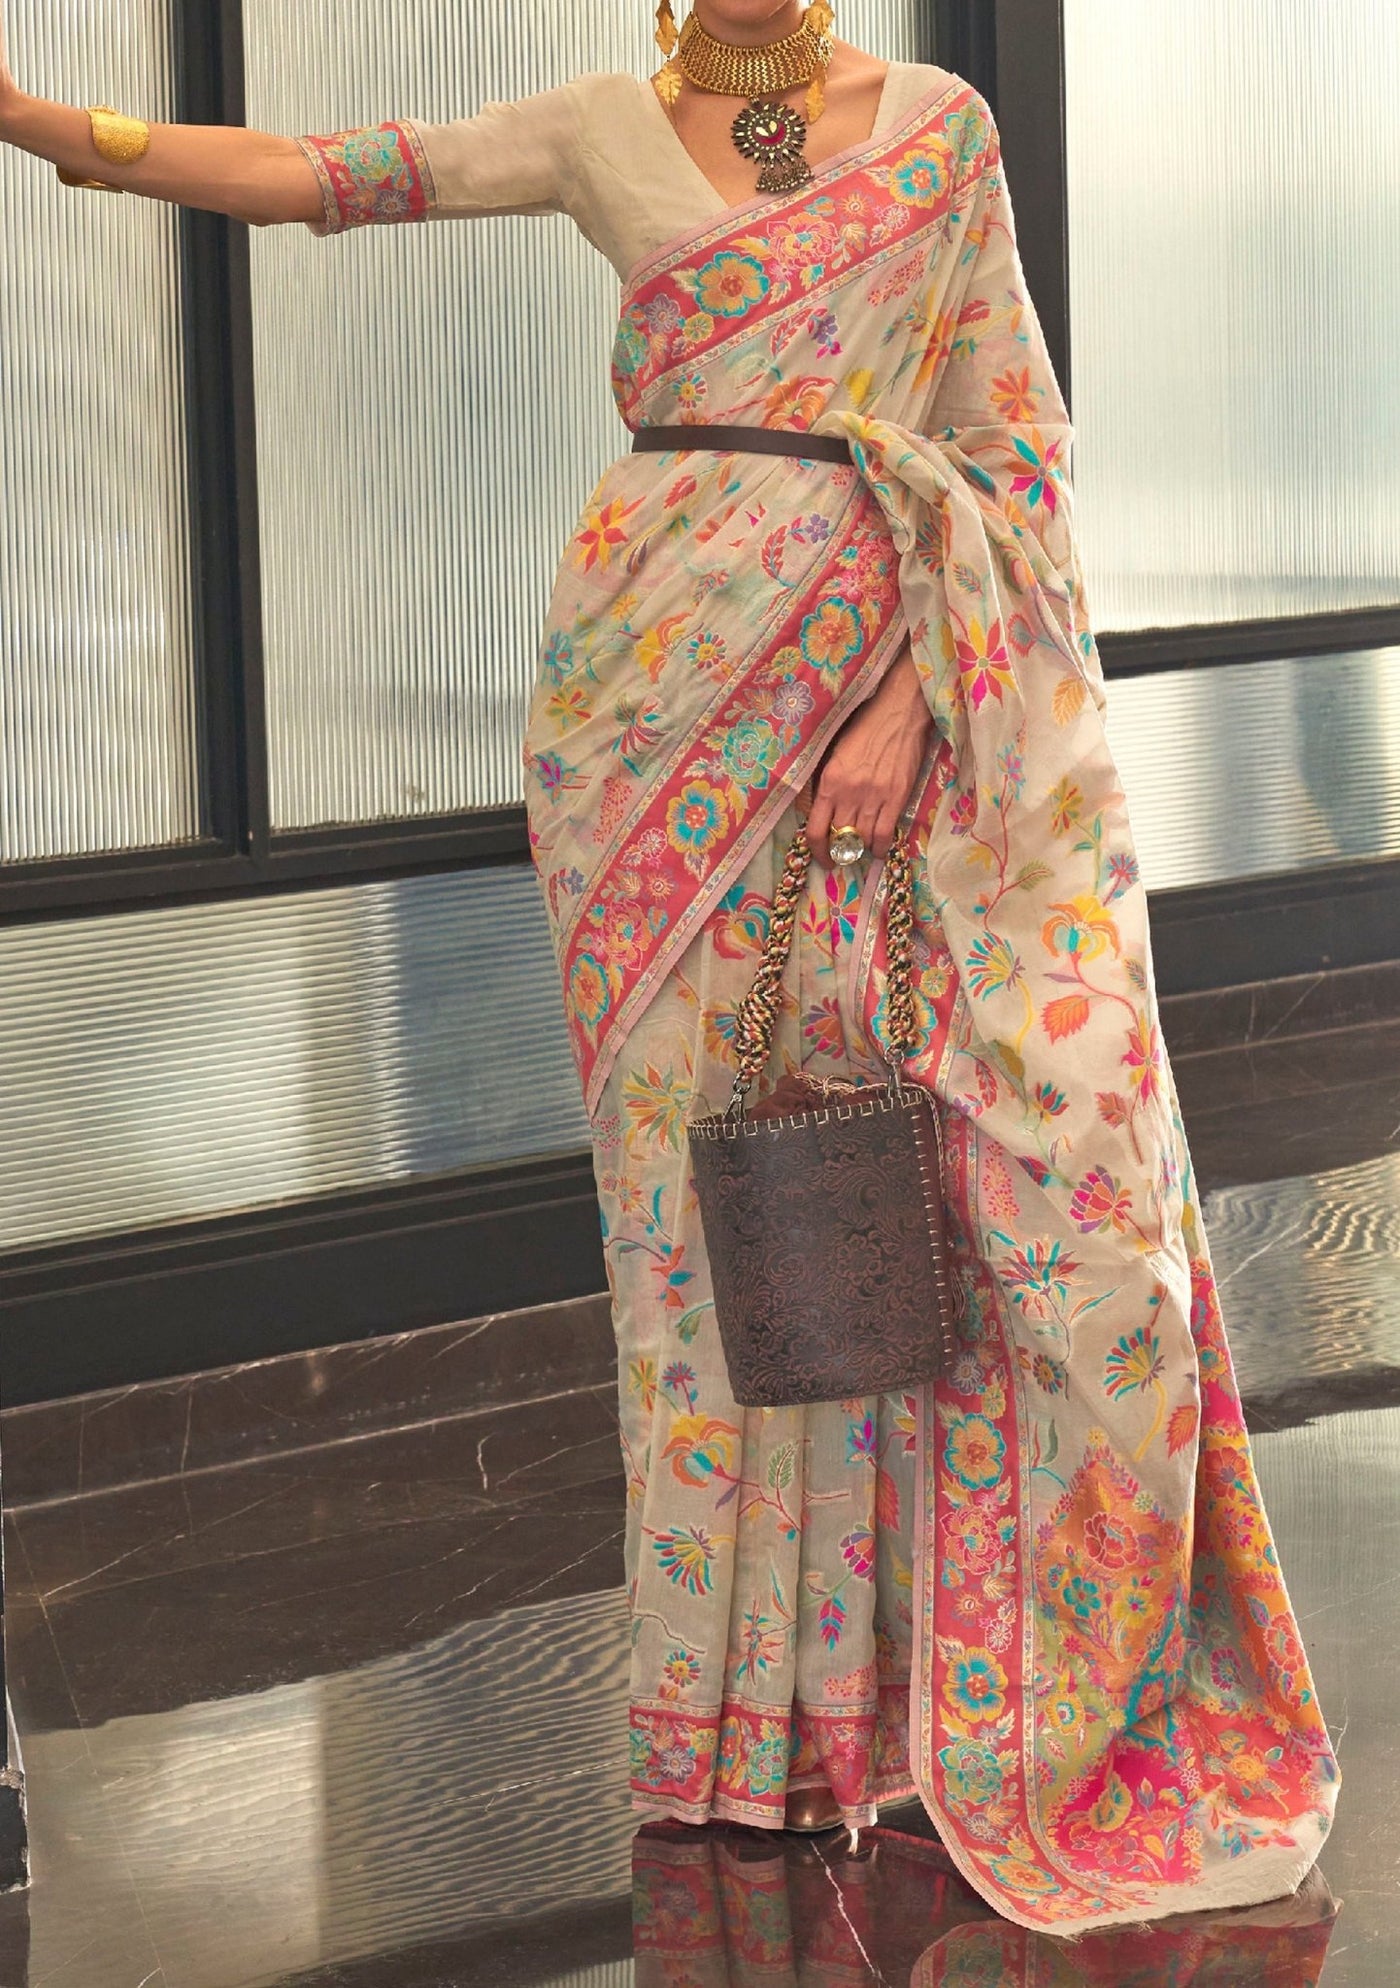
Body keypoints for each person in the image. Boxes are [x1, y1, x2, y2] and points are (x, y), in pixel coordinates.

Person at [0, 0, 1340, 1936]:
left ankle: (1022, 1691)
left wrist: (911, 691)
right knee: (713, 1215)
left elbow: (1015, 446)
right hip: (650, 709)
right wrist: (44, 121)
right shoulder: (597, 129)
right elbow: (319, 177)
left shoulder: (937, 130)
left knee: (1051, 1168)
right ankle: (762, 1731)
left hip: (903, 693)